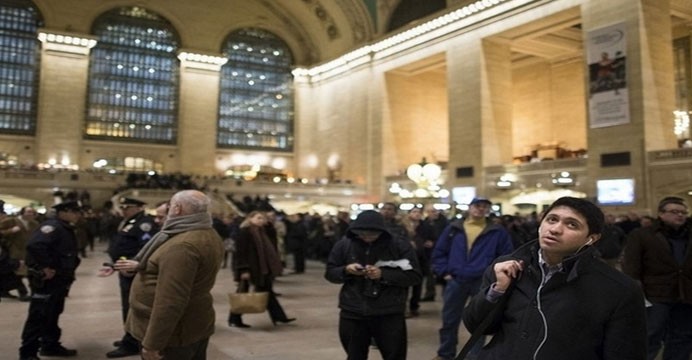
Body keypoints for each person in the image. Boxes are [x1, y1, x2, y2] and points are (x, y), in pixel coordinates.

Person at [463, 196, 646, 360]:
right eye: (552, 219)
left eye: (572, 224)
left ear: (591, 238)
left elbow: (625, 352)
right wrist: (496, 290)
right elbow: (477, 326)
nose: (556, 229)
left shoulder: (619, 289)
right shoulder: (509, 267)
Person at [124, 190, 225, 360]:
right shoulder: (207, 232)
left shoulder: (182, 245)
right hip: (194, 322)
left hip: (175, 334)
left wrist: (153, 343)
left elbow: (171, 300)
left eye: (170, 206)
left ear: (177, 209)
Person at [325, 210, 422, 360]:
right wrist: (346, 270)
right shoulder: (345, 244)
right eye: (362, 235)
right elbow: (330, 272)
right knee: (354, 355)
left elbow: (415, 276)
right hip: (353, 311)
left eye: (372, 235)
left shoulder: (398, 245)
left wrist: (383, 274)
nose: (367, 238)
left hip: (389, 311)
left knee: (394, 355)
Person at [431, 197, 514, 360]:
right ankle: (445, 353)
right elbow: (439, 252)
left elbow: (506, 255)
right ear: (470, 208)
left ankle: (474, 356)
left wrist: (493, 276)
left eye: (485, 207)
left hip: (482, 281)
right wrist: (444, 272)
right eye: (477, 206)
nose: (480, 209)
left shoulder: (497, 231)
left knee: (479, 321)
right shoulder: (454, 229)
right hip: (456, 279)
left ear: (488, 210)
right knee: (449, 319)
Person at [623, 196, 692, 360]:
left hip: (686, 294)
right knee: (650, 336)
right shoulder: (643, 235)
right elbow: (632, 266)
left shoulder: (689, 235)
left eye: (683, 212)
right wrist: (636, 294)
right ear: (661, 214)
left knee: (683, 336)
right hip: (655, 295)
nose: (680, 215)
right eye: (674, 212)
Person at [19, 201, 83, 360]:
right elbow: (35, 245)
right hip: (47, 280)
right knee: (38, 316)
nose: (78, 215)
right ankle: (28, 353)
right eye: (75, 212)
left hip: (59, 280)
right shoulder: (53, 227)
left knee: (52, 313)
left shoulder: (64, 226)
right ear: (64, 212)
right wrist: (45, 266)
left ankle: (50, 345)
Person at [104, 197, 158, 358]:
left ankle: (133, 342)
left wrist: (132, 265)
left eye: (127, 207)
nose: (123, 210)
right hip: (125, 269)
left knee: (132, 307)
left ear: (138, 208)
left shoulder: (144, 223)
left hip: (132, 272)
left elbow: (145, 248)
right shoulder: (131, 221)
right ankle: (129, 335)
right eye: (123, 207)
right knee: (127, 306)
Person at [230, 211, 296, 328]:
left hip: (262, 269)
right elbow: (240, 253)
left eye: (263, 219)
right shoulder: (245, 232)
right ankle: (234, 318)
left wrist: (269, 225)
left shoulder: (262, 232)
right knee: (242, 293)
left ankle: (279, 316)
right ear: (250, 218)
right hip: (251, 269)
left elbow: (271, 243)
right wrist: (244, 270)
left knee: (268, 293)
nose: (261, 221)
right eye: (258, 218)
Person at [0, 206, 38, 301]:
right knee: (17, 272)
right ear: (22, 213)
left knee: (28, 271)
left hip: (29, 252)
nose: (30, 214)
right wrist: (11, 231)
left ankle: (31, 292)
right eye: (28, 212)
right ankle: (23, 293)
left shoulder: (35, 224)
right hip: (14, 251)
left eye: (32, 213)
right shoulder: (11, 221)